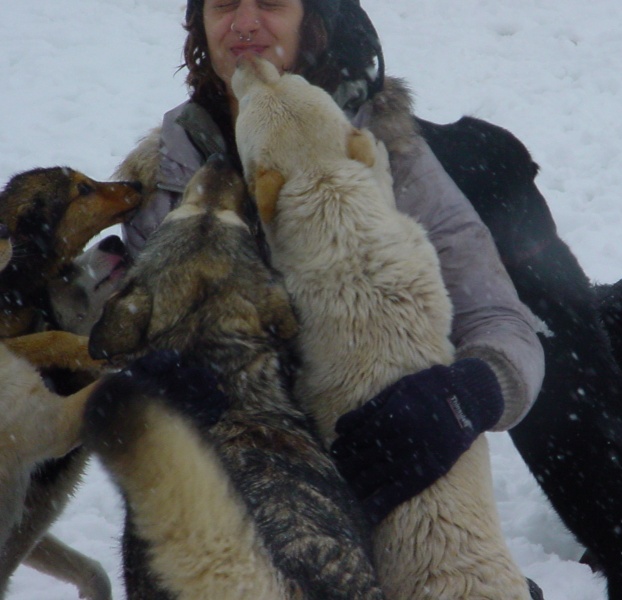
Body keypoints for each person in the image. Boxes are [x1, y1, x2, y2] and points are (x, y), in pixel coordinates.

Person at [114, 0, 546, 597]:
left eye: (269, 3)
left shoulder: (382, 149)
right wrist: (156, 386)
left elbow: (504, 322)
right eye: (222, 5)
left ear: (312, 21)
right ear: (200, 25)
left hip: (402, 510)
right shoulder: (166, 172)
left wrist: (467, 395)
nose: (243, 23)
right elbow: (105, 325)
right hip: (240, 509)